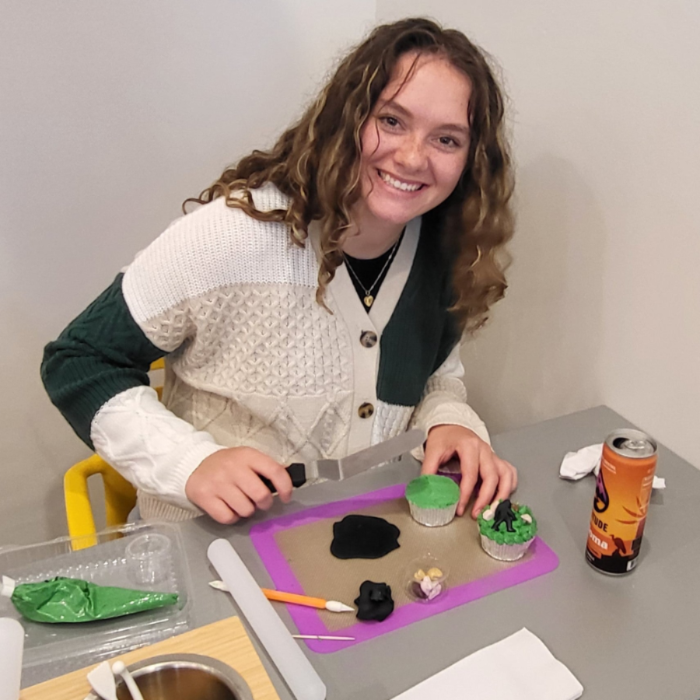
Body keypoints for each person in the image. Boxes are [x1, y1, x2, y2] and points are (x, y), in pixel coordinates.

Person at [41, 17, 517, 525]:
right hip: (211, 553)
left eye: (447, 140)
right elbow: (78, 360)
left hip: (356, 544)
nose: (412, 157)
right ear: (348, 117)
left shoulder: (444, 252)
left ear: (472, 160)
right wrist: (190, 464)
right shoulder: (229, 236)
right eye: (392, 121)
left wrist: (451, 424)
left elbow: (437, 378)